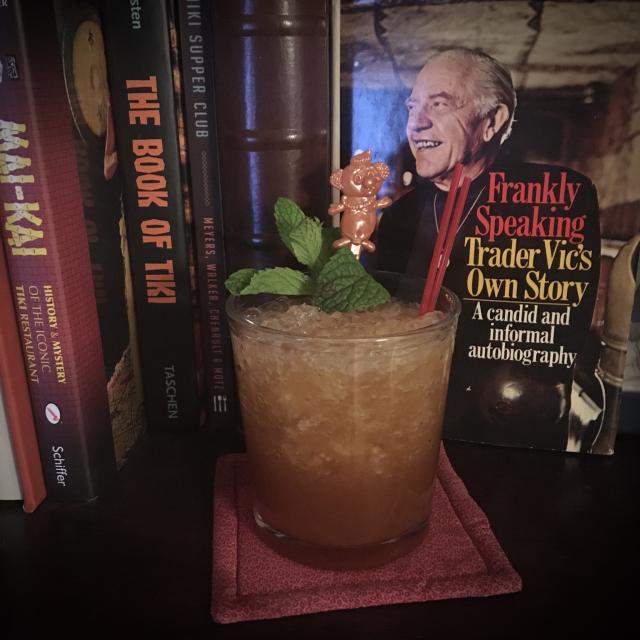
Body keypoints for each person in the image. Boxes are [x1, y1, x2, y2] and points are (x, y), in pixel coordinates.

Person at [373, 47, 601, 451]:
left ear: (492, 121)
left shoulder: (557, 198)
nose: (417, 123)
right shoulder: (400, 215)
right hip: (414, 422)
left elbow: (559, 331)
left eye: (439, 104)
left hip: (512, 432)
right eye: (412, 106)